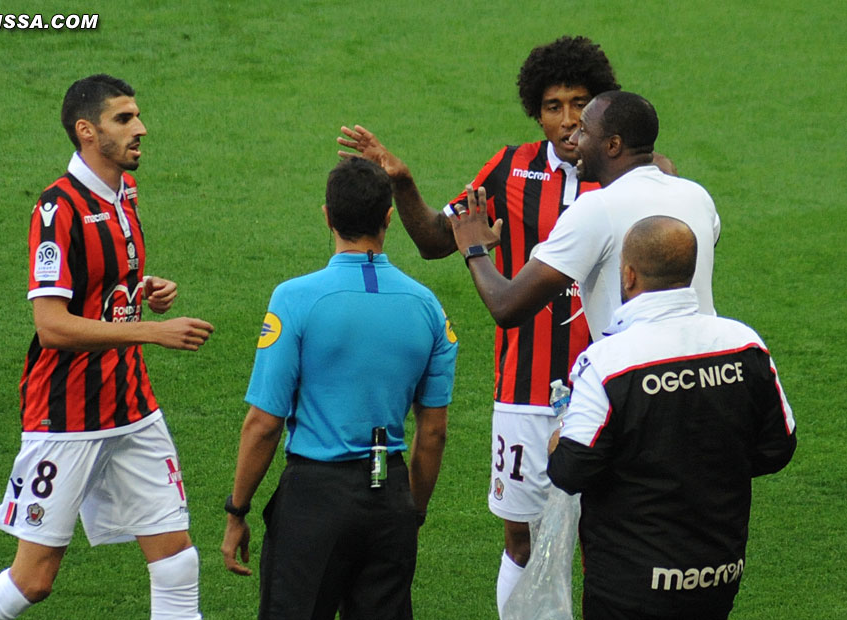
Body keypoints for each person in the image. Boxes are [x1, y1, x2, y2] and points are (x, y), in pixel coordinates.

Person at [338, 36, 640, 615]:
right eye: (554, 105)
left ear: (601, 106)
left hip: (609, 386)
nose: (569, 119)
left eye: (581, 103)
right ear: (536, 110)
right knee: (521, 537)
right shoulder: (511, 168)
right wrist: (402, 181)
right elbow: (434, 240)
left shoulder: (626, 176)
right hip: (524, 392)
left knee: (602, 533)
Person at [0, 74, 214, 620]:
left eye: (138, 115)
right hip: (66, 415)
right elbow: (52, 325)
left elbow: (101, 284)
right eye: (124, 119)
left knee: (176, 563)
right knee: (35, 579)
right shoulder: (57, 209)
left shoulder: (125, 192)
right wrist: (151, 331)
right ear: (87, 131)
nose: (141, 128)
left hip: (133, 407)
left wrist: (144, 292)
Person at [220, 157, 458, 619]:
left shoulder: (295, 298)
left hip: (314, 501)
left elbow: (264, 424)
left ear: (327, 215)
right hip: (389, 498)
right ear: (389, 217)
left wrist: (237, 510)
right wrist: (411, 512)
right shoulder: (428, 307)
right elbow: (433, 433)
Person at [546, 216, 796, 620]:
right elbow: (777, 449)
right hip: (719, 573)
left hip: (630, 583)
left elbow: (570, 470)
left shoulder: (608, 362)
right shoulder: (745, 343)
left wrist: (558, 441)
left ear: (628, 276)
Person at [450, 90, 720, 343]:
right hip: (703, 370)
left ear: (613, 145)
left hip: (637, 379)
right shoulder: (697, 196)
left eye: (585, 131)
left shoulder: (596, 208)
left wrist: (475, 248)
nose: (575, 141)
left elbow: (507, 306)